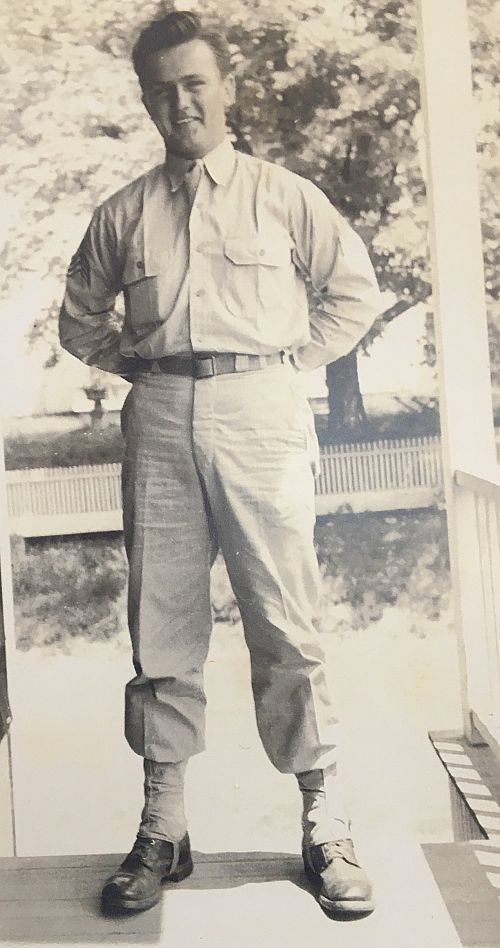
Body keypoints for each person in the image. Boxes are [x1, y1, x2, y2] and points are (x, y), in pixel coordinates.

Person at [59, 9, 381, 919]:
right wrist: (143, 368)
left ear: (227, 88)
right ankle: (163, 825)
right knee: (160, 624)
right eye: (162, 91)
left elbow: (352, 294)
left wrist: (284, 365)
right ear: (147, 102)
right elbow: (80, 319)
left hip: (260, 413)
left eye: (195, 83)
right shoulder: (123, 213)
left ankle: (324, 822)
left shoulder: (285, 196)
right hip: (160, 413)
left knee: (287, 620)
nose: (181, 103)